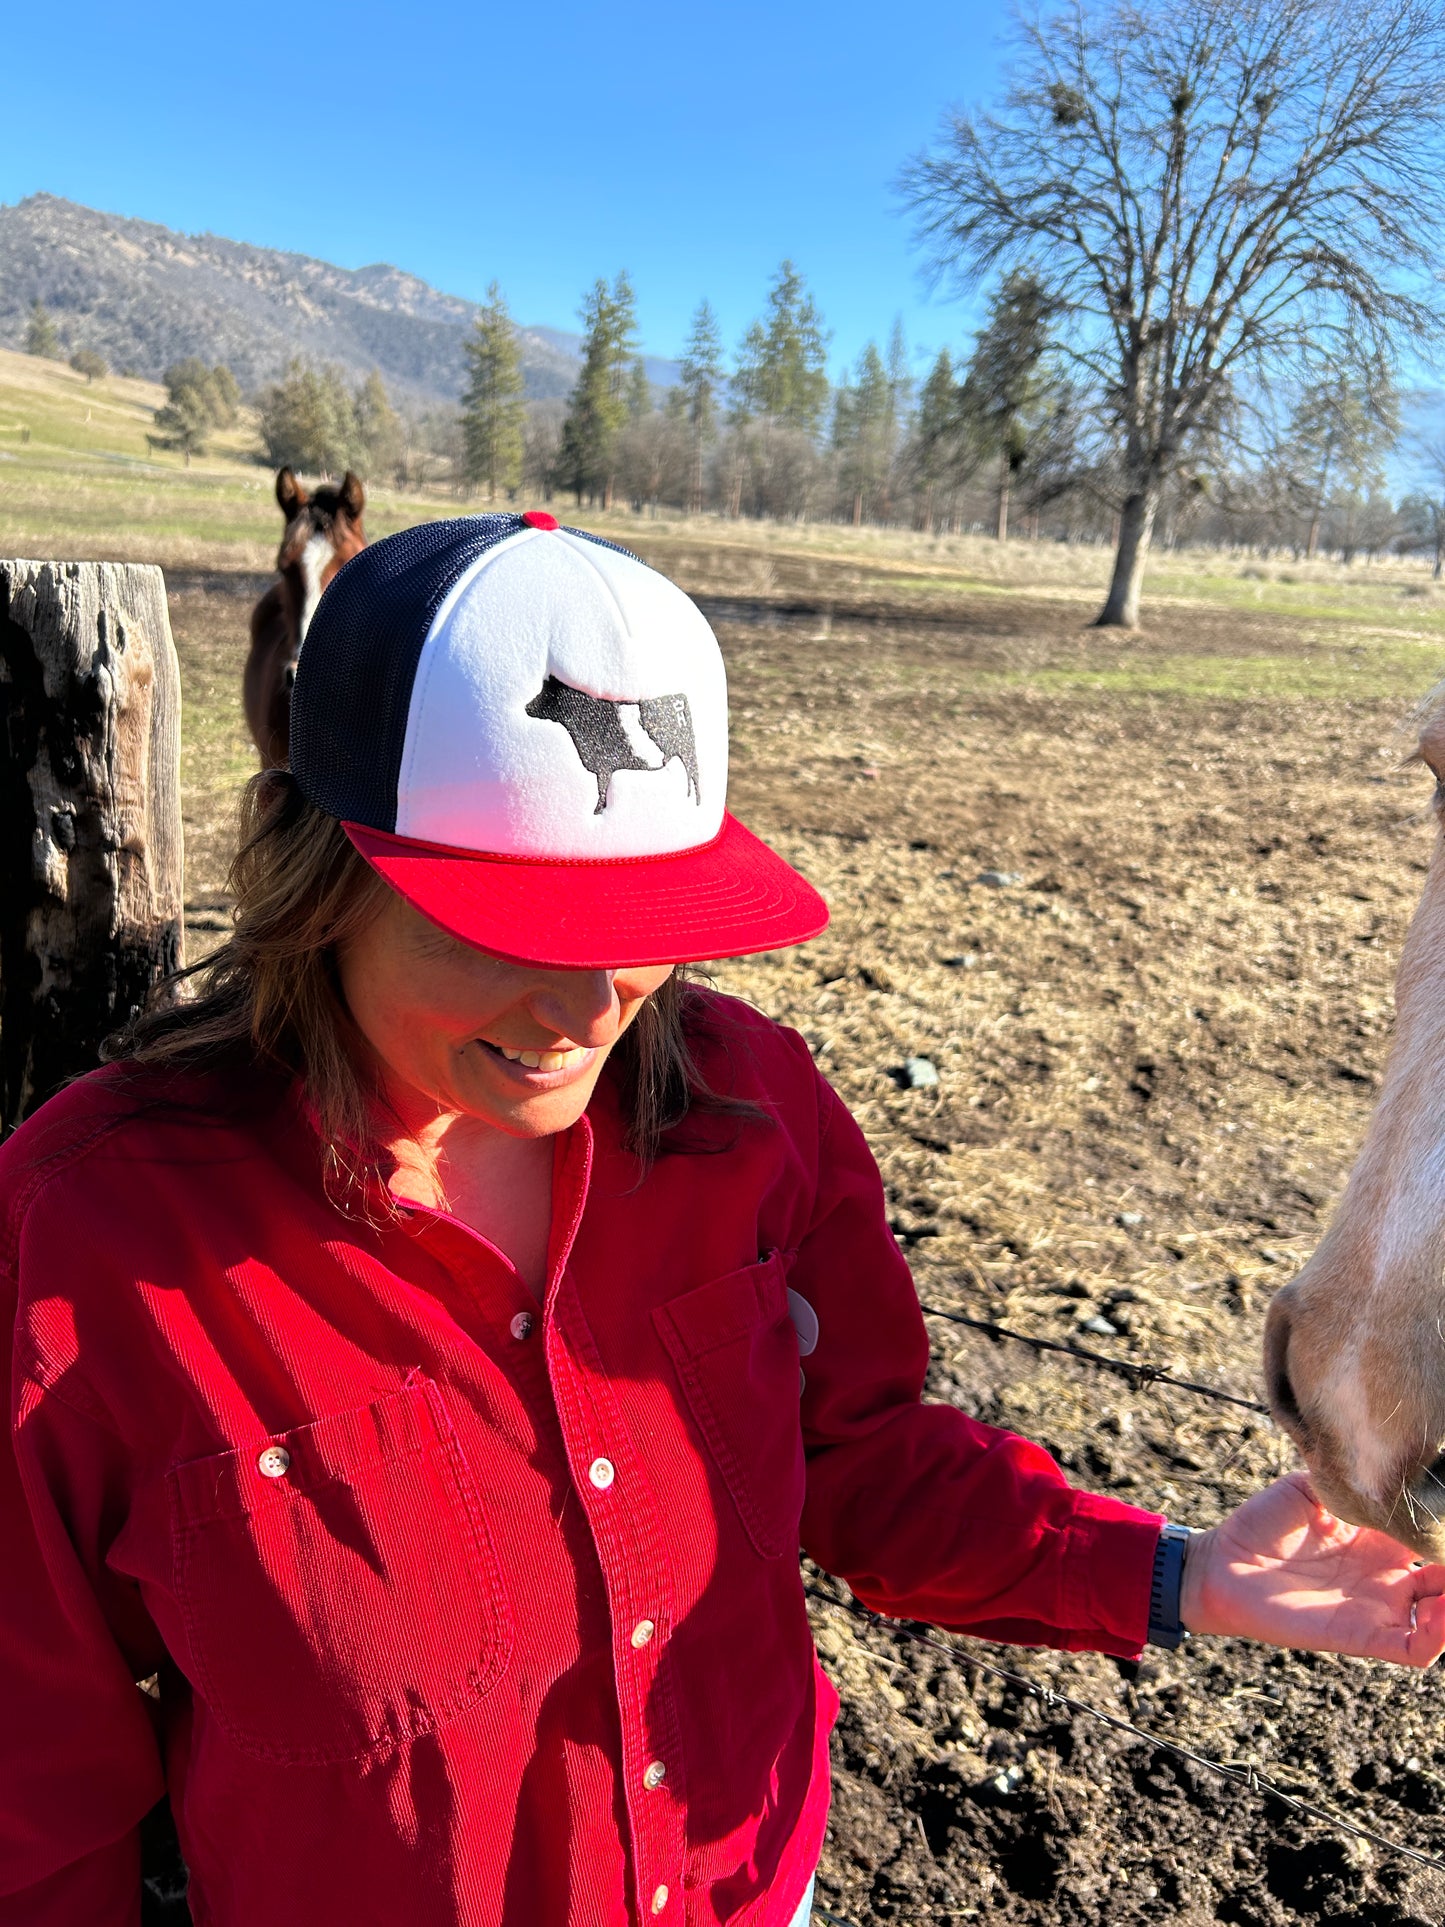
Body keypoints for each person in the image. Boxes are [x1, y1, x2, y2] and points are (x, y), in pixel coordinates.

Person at [2, 511, 1441, 1927]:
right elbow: (35, 1780)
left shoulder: (752, 1113)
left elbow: (859, 1463)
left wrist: (1175, 1574)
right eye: (505, 927)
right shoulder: (90, 1242)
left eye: (641, 920)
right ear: (318, 876)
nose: (585, 1013)